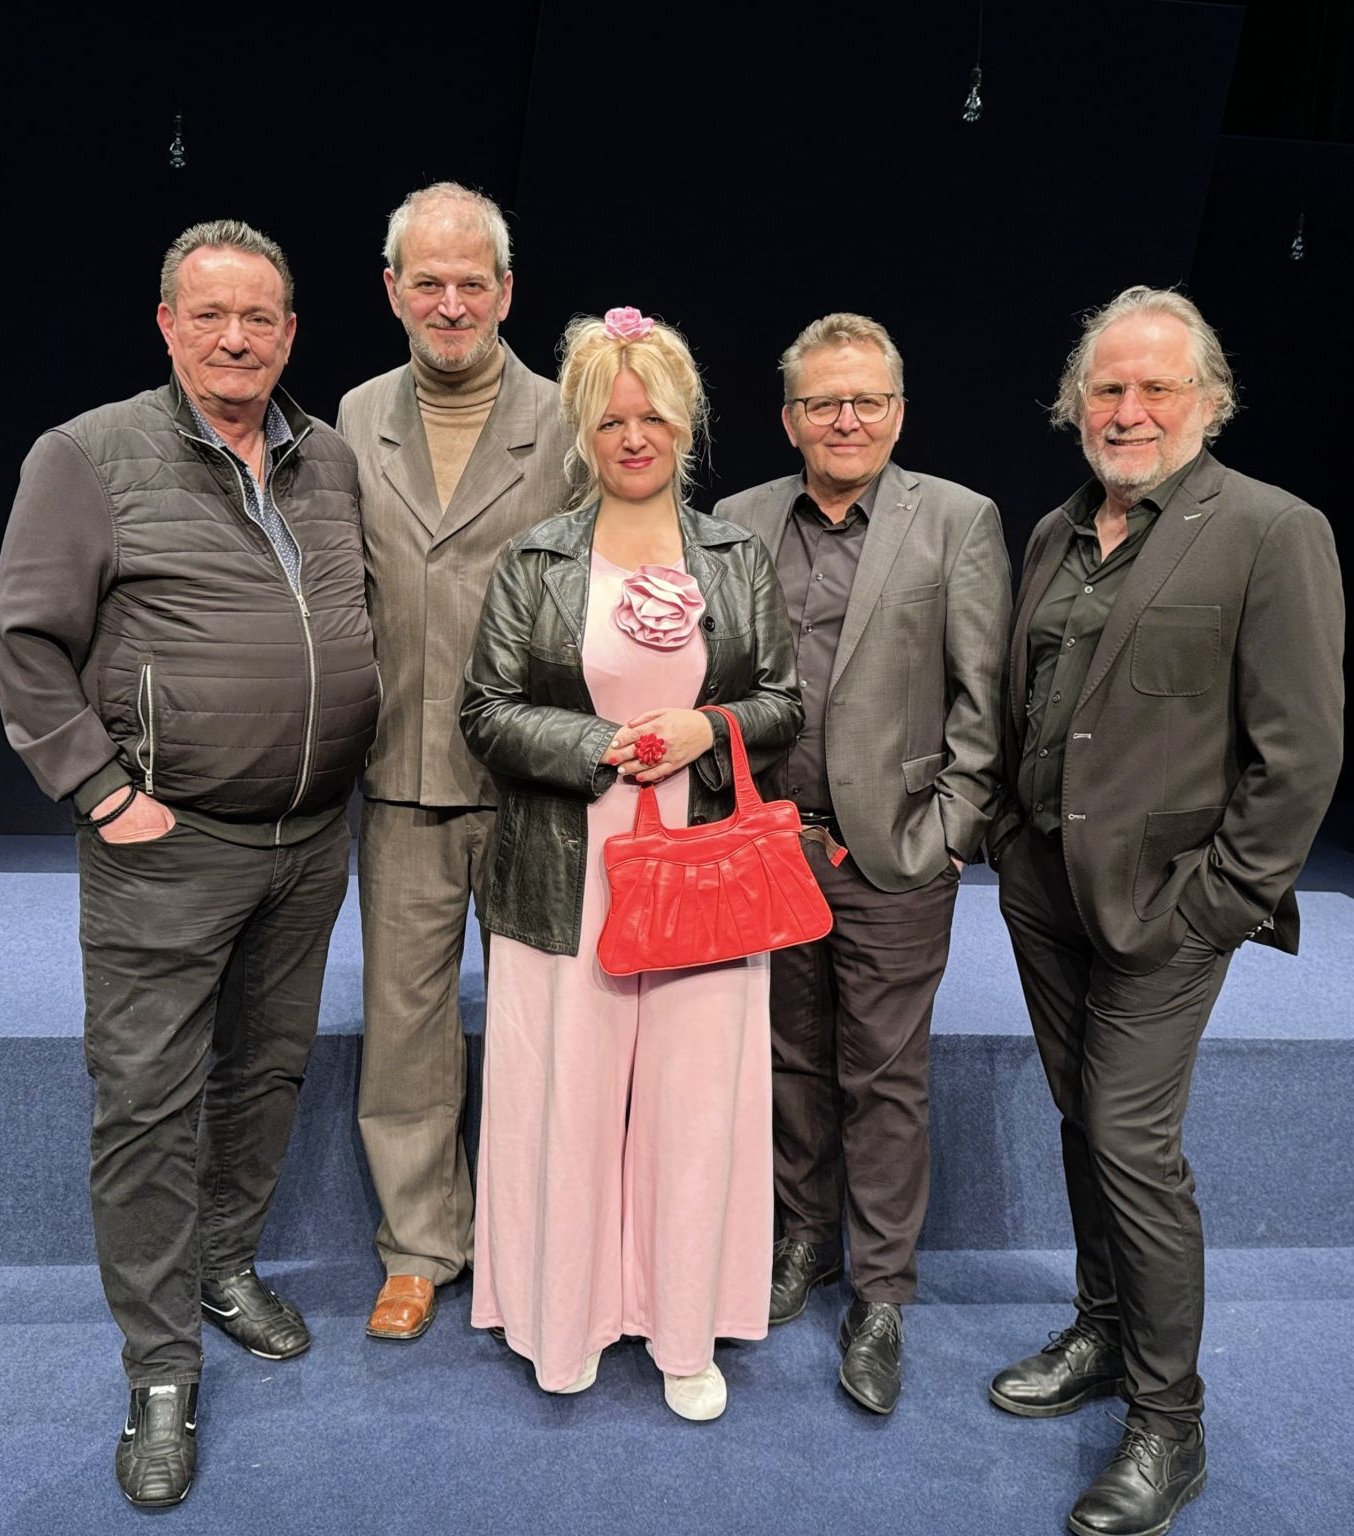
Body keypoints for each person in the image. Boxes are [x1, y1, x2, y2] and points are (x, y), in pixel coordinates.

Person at [0, 220, 376, 1509]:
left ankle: (224, 1265)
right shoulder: (88, 455)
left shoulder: (326, 461)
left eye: (258, 318)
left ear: (290, 333)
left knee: (265, 1072)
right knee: (147, 1103)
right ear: (165, 325)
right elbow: (27, 644)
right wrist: (101, 791)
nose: (235, 338)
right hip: (172, 846)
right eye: (208, 315)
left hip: (311, 838)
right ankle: (159, 1372)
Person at [987, 286, 1344, 1536]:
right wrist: (1000, 837)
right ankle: (1096, 1331)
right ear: (1075, 403)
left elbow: (1295, 755)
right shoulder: (1051, 533)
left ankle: (1168, 1421)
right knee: (1080, 1122)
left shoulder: (1269, 531)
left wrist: (1220, 906)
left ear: (1209, 400)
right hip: (1041, 887)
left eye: (1154, 388)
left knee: (1133, 1147)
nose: (1126, 410)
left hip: (1166, 909)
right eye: (1105, 388)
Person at [459, 308, 802, 1419]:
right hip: (571, 860)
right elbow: (486, 712)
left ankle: (682, 1329)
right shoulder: (535, 558)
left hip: (702, 861)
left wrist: (710, 729)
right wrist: (596, 746)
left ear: (685, 420)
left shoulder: (738, 557)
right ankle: (565, 1317)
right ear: (580, 428)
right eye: (610, 418)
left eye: (652, 413)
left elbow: (782, 702)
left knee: (696, 1100)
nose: (633, 434)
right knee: (565, 1094)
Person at [715, 312, 1010, 1414]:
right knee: (788, 1057)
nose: (847, 419)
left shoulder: (958, 520)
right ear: (789, 417)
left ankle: (881, 1290)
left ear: (898, 409)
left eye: (868, 400)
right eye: (824, 402)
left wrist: (947, 835)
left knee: (882, 1075)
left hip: (893, 855)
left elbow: (986, 701)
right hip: (766, 848)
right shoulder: (734, 521)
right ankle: (806, 1244)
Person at [336, 182, 565, 1343]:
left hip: (537, 783)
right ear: (391, 291)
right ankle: (420, 1245)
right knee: (405, 1023)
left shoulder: (570, 417)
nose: (450, 300)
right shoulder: (355, 413)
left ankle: (538, 1239)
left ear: (506, 291)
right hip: (400, 779)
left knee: (544, 1025)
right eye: (427, 280)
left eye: (471, 280)